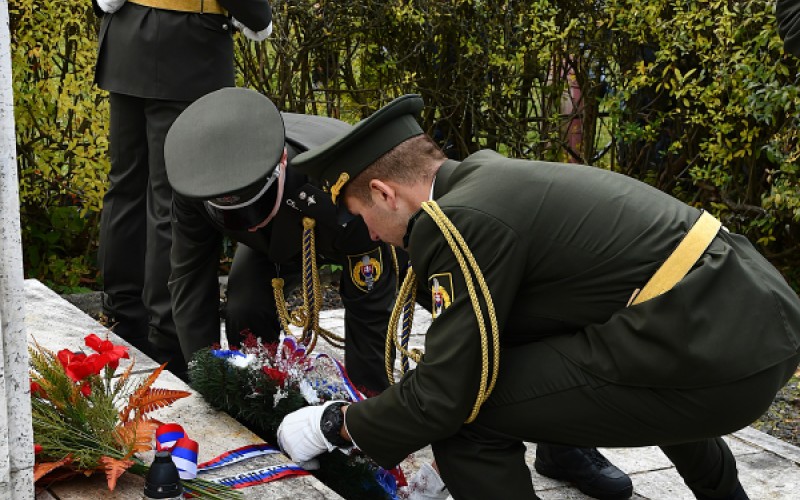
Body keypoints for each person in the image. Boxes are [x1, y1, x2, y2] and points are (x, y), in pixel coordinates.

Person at [276, 94, 800, 500]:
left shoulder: (456, 222)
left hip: (711, 359)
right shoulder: (488, 180)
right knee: (603, 346)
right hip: (746, 326)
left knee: (469, 417)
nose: (366, 234)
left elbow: (446, 395)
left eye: (360, 213)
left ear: (387, 194)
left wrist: (337, 425)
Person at [162, 87, 400, 393]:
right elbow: (189, 280)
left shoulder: (341, 186)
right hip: (272, 242)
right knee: (245, 307)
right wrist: (208, 376)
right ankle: (259, 392)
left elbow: (370, 307)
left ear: (281, 164)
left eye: (249, 211)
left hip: (355, 226)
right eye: (232, 217)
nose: (245, 226)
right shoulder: (197, 185)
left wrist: (367, 411)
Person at [91, 0, 272, 373]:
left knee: (124, 188)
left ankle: (120, 318)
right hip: (188, 49)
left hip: (128, 37)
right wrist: (257, 16)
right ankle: (168, 338)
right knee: (171, 200)